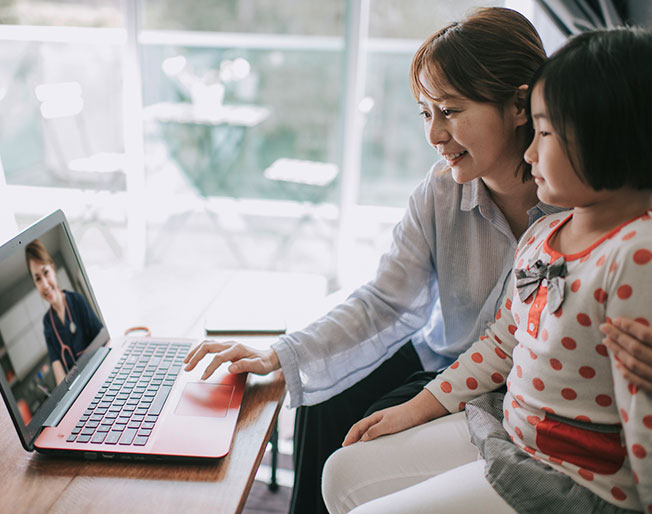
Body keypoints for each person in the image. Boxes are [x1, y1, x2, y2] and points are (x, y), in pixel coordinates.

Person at [184, 8, 652, 512]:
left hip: (533, 389)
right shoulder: (441, 192)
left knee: (366, 435)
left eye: (450, 111)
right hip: (448, 357)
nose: (434, 135)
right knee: (322, 406)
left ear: (520, 106)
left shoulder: (597, 205)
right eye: (426, 113)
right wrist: (281, 353)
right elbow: (385, 300)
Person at [322, 27, 652, 514]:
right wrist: (411, 411)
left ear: (604, 137)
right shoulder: (544, 237)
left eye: (544, 134)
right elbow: (502, 341)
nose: (531, 152)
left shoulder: (633, 253)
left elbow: (639, 402)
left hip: (576, 479)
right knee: (342, 472)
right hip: (510, 431)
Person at [26, 239, 103, 384]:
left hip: (98, 373)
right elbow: (58, 369)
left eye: (46, 273)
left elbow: (103, 341)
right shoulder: (47, 322)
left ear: (53, 269)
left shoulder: (76, 301)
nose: (45, 285)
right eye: (37, 279)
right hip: (76, 387)